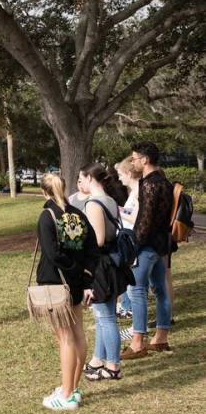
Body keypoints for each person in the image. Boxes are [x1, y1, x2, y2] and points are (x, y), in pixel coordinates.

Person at [35, 173, 97, 410]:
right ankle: (71, 386)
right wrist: (84, 275)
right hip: (77, 282)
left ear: (44, 192)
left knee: (65, 338)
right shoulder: (78, 215)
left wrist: (72, 270)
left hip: (55, 282)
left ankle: (67, 394)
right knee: (78, 333)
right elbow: (92, 249)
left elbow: (52, 254)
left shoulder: (47, 216)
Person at [121, 142, 174, 360]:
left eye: (134, 158)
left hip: (148, 245)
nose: (133, 162)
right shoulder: (164, 180)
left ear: (145, 160)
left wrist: (135, 244)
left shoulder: (149, 184)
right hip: (161, 244)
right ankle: (161, 337)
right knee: (161, 290)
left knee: (137, 290)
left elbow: (145, 220)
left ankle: (138, 342)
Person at [77, 163, 129, 381]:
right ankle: (99, 359)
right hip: (111, 263)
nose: (80, 183)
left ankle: (113, 365)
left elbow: (97, 240)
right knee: (101, 316)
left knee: (106, 318)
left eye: (81, 178)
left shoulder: (94, 203)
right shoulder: (110, 199)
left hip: (101, 265)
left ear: (90, 178)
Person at [114, 158, 141, 321]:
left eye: (120, 174)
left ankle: (137, 326)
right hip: (129, 242)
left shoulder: (138, 191)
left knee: (135, 289)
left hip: (132, 243)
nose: (119, 178)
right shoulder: (134, 191)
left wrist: (118, 211)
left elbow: (136, 217)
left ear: (129, 173)